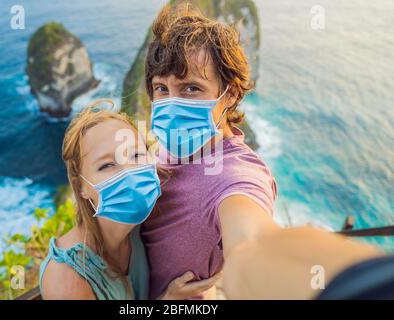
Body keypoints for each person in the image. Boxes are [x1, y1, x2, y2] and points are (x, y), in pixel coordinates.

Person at [141, 4, 386, 300]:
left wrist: (360, 285)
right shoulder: (172, 147)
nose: (171, 104)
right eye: (161, 89)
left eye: (191, 88)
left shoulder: (235, 177)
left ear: (229, 95)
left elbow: (252, 243)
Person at [39, 101, 221, 300]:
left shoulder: (145, 227)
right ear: (81, 186)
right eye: (107, 165)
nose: (129, 173)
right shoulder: (66, 278)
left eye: (136, 155)